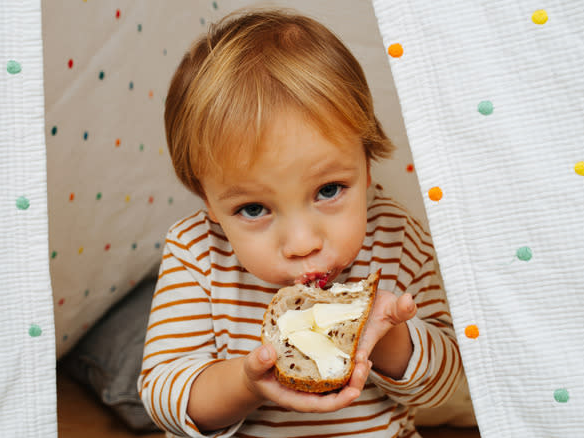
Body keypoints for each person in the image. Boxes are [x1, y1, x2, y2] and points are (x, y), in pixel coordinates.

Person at [139, 8, 462, 438]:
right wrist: (246, 383)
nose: (302, 242)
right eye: (254, 209)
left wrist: (387, 339)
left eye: (328, 190)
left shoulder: (397, 237)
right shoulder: (196, 251)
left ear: (366, 166)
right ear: (209, 202)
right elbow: (164, 395)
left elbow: (443, 385)